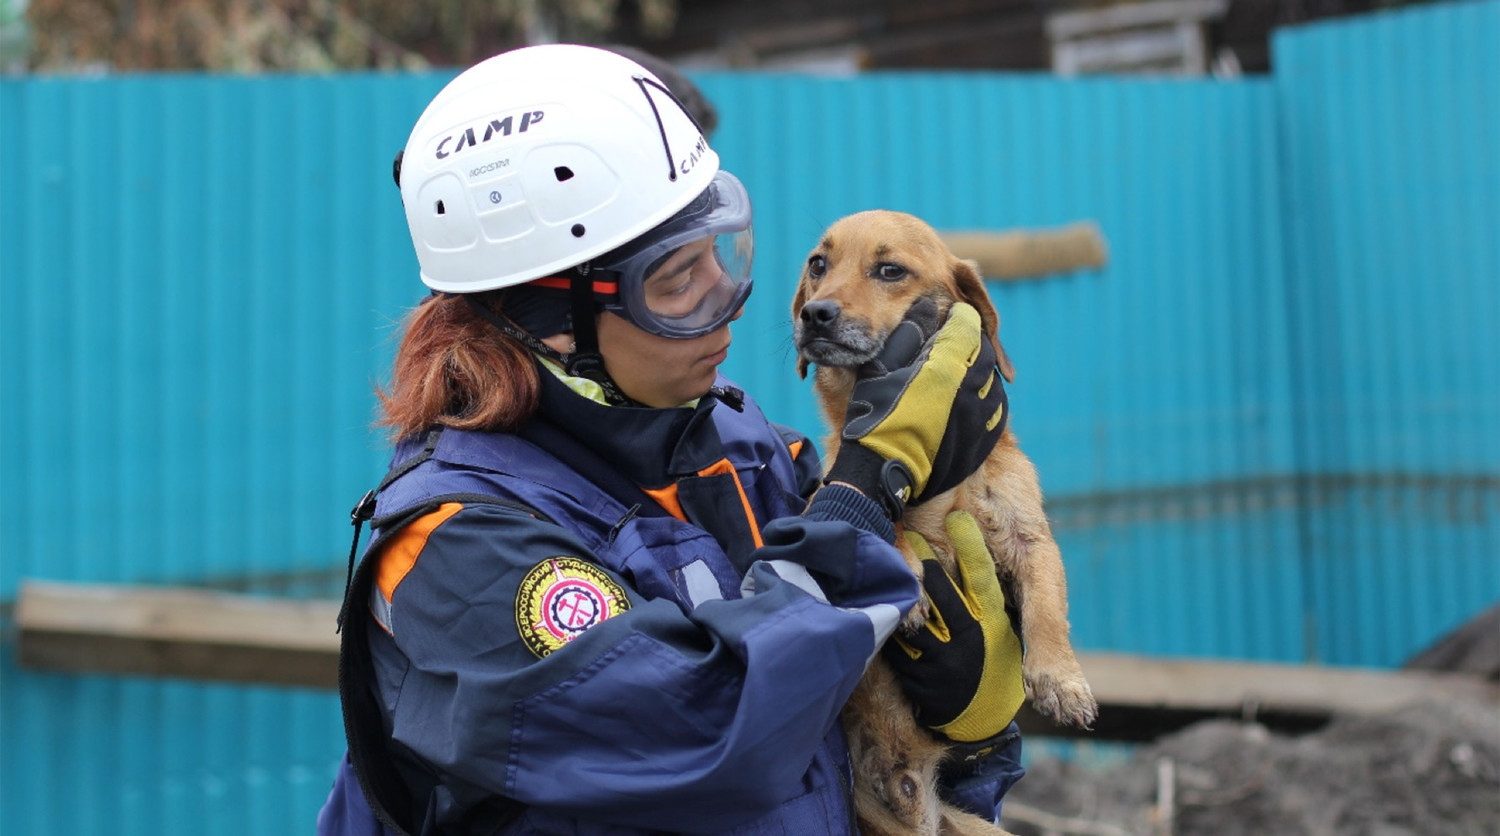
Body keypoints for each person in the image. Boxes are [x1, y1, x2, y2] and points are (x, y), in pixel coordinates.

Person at [318, 43, 1026, 836]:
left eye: (723, 255)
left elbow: (839, 758)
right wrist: (860, 496)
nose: (725, 302)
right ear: (550, 320)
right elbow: (717, 733)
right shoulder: (456, 548)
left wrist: (971, 727)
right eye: (676, 280)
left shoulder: (745, 448)